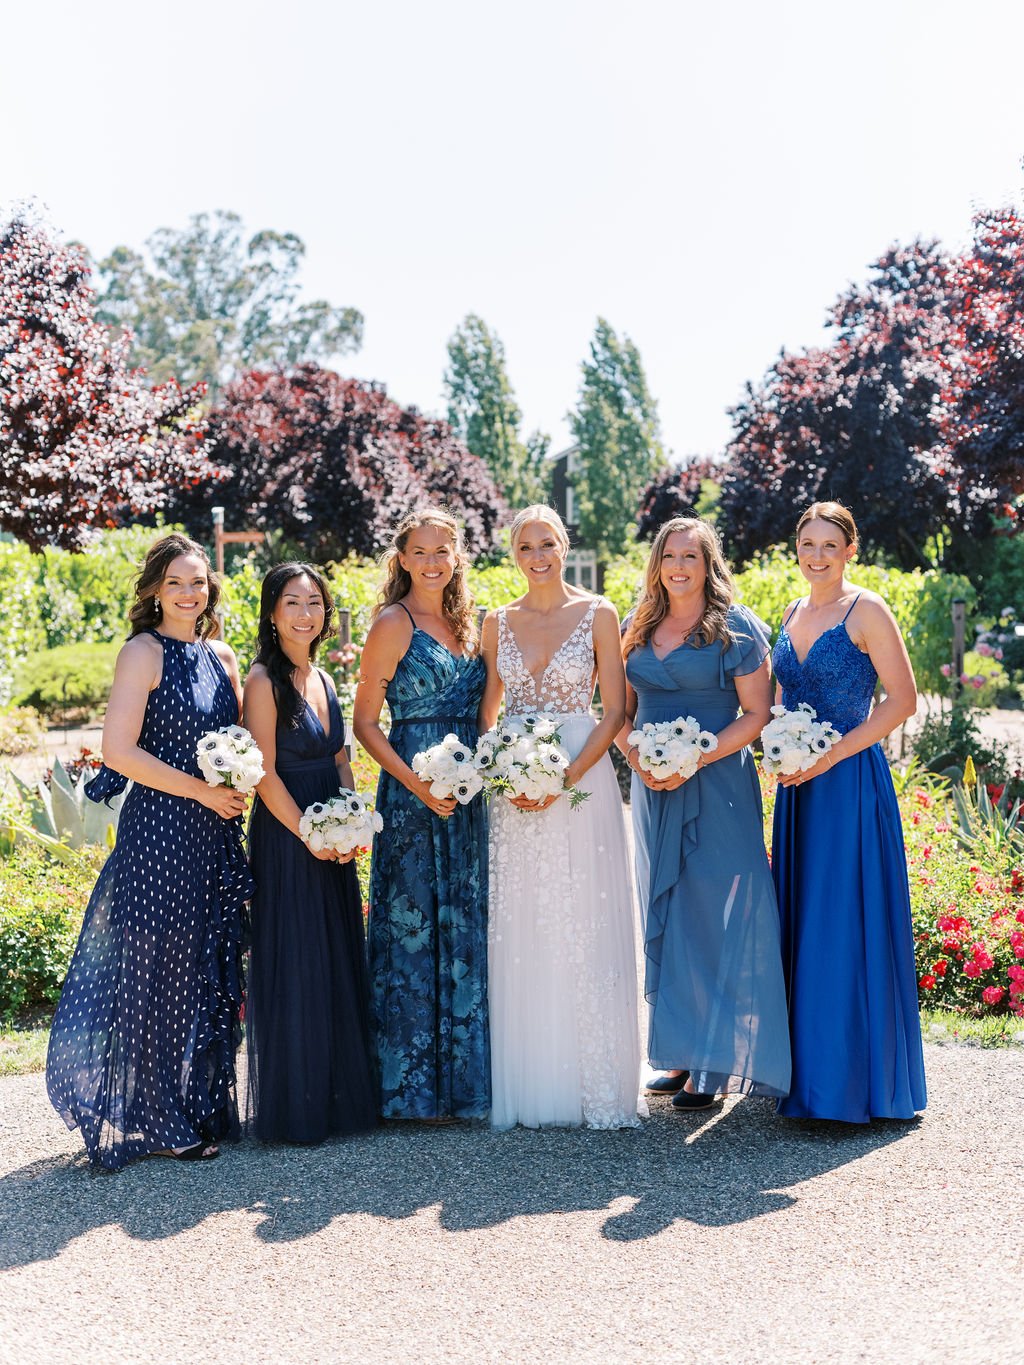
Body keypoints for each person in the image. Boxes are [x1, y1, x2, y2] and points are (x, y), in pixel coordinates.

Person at [46, 534, 252, 1168]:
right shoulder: (141, 653)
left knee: (203, 970)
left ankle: (194, 1100)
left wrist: (236, 782)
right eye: (176, 584)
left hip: (215, 832)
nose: (190, 594)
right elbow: (118, 751)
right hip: (161, 829)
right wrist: (200, 791)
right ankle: (156, 1115)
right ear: (155, 592)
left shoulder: (222, 655)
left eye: (198, 582)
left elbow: (238, 739)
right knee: (154, 973)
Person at [616, 517, 791, 1112]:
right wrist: (636, 758)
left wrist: (698, 755)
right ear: (658, 564)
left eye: (690, 556)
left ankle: (718, 1061)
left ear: (709, 563)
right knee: (671, 908)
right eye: (670, 556)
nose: (679, 567)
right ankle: (685, 1054)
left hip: (718, 786)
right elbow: (618, 708)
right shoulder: (636, 625)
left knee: (719, 911)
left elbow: (757, 713)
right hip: (654, 785)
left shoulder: (734, 628)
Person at [481, 505, 642, 1130]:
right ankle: (532, 1083)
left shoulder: (599, 613)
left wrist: (563, 777)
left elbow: (613, 712)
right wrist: (506, 774)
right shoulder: (496, 622)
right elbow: (487, 714)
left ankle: (592, 1082)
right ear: (513, 553)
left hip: (583, 783)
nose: (538, 554)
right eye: (526, 545)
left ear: (564, 544)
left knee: (585, 918)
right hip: (515, 793)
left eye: (547, 542)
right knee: (526, 925)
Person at [772, 501, 926, 1123]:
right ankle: (807, 1076)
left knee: (841, 922)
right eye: (807, 543)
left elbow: (903, 701)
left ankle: (848, 1086)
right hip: (797, 787)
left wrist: (829, 754)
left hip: (848, 782)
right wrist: (781, 752)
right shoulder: (791, 613)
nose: (816, 555)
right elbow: (784, 695)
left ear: (850, 550)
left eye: (829, 545)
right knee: (803, 920)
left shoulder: (868, 611)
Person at [353, 508, 489, 1122]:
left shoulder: (471, 623)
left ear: (457, 556)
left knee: (466, 921)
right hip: (412, 797)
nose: (433, 561)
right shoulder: (393, 622)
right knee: (413, 927)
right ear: (402, 558)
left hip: (467, 795)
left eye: (444, 550)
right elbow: (364, 724)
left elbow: (486, 712)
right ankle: (408, 1089)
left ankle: (465, 1085)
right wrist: (415, 784)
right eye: (421, 551)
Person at [243, 563, 377, 1143]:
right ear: (273, 614)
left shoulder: (322, 678)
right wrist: (310, 833)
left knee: (333, 955)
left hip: (331, 830)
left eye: (315, 603)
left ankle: (336, 1097)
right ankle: (297, 1107)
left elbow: (343, 760)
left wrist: (351, 827)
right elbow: (263, 774)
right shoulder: (262, 681)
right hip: (287, 829)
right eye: (293, 603)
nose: (306, 614)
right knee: (296, 958)